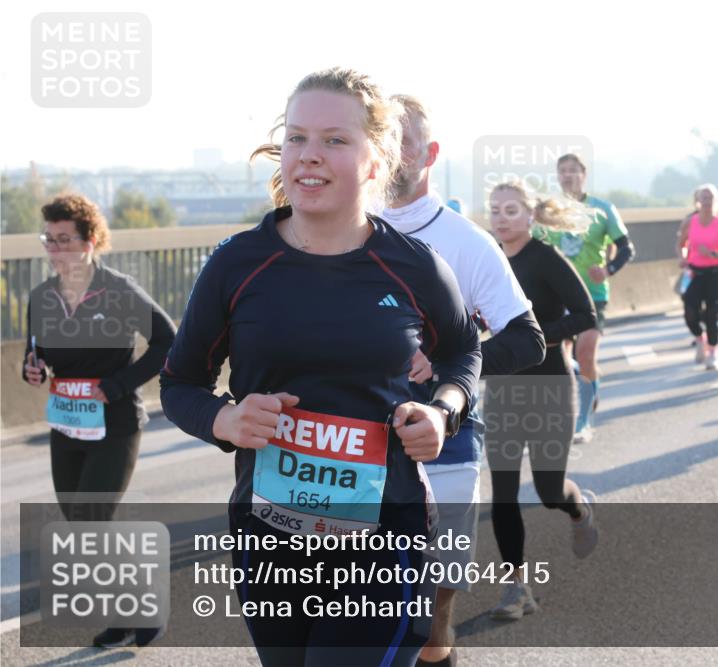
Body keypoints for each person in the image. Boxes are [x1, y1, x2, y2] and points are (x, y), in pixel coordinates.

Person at [160, 67, 482, 667]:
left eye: (335, 140)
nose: (310, 156)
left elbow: (464, 352)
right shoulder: (238, 264)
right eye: (297, 138)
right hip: (269, 541)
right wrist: (224, 422)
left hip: (384, 544)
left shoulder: (416, 268)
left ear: (375, 159)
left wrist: (444, 410)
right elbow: (179, 385)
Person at [381, 95, 544, 667]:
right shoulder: (328, 232)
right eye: (382, 134)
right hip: (348, 443)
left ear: (430, 153)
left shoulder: (468, 243)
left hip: (445, 443)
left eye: (405, 138)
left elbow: (528, 339)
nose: (392, 149)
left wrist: (452, 358)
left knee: (429, 614)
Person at [23, 193, 176, 649]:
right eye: (48, 240)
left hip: (115, 423)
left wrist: (117, 384)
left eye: (64, 240)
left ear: (90, 241)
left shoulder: (118, 289)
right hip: (66, 424)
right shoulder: (41, 297)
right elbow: (41, 357)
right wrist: (32, 371)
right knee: (80, 524)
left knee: (93, 516)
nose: (55, 249)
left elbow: (168, 342)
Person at [485, 180, 599, 620]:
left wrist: (532, 339)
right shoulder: (487, 260)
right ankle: (516, 588)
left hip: (550, 388)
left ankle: (577, 509)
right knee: (503, 495)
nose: (501, 217)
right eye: (495, 210)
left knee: (549, 491)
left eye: (511, 210)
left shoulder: (546, 259)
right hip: (503, 391)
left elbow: (585, 315)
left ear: (530, 215)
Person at [538, 154, 635, 444]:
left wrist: (607, 269)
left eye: (573, 171)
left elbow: (626, 248)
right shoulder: (548, 211)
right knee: (559, 360)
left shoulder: (602, 209)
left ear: (584, 175)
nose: (568, 176)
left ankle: (583, 420)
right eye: (562, 171)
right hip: (556, 297)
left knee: (586, 353)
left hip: (592, 295)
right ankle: (568, 409)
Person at [677, 185, 718, 370]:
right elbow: (681, 244)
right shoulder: (690, 222)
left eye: (710, 198)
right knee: (690, 312)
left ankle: (712, 352)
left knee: (712, 313)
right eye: (703, 198)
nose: (706, 201)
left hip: (715, 273)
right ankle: (699, 339)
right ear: (697, 201)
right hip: (695, 272)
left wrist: (713, 254)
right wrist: (683, 257)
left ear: (716, 201)